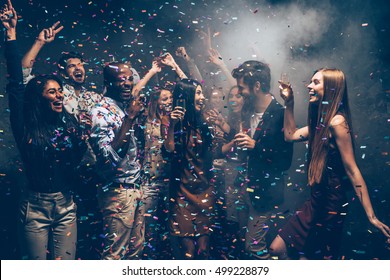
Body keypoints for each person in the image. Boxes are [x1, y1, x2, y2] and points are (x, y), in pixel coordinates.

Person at [270, 68, 390, 259]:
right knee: (280, 250)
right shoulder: (322, 122)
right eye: (311, 81)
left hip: (330, 205)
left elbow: (352, 170)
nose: (309, 86)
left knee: (314, 259)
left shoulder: (337, 122)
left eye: (316, 82)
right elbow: (290, 135)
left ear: (332, 89)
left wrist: (371, 216)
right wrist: (289, 102)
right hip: (315, 201)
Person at [2, 0, 87, 259]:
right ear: (40, 98)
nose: (59, 95)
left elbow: (77, 162)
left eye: (60, 91)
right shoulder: (25, 126)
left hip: (66, 205)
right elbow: (17, 84)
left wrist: (82, 138)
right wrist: (11, 34)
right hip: (35, 207)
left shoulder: (69, 123)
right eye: (53, 91)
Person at [89, 60, 160, 260]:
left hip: (135, 188)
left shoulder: (124, 107)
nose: (127, 83)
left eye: (130, 79)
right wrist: (129, 118)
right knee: (114, 255)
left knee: (135, 251)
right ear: (108, 82)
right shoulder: (100, 111)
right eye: (121, 80)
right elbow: (107, 158)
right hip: (117, 191)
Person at [230, 60, 293, 259]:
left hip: (266, 196)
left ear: (257, 86)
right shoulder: (247, 110)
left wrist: (255, 146)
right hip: (245, 192)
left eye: (241, 87)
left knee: (255, 248)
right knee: (243, 246)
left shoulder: (280, 114)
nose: (239, 92)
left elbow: (285, 162)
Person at [163, 79, 220, 259]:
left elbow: (211, 154)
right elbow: (168, 151)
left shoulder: (203, 122)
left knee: (204, 251)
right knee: (189, 253)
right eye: (198, 93)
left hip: (204, 191)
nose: (202, 98)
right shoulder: (171, 121)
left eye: (202, 93)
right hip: (182, 193)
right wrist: (172, 125)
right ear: (187, 96)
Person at [141, 53, 188, 259]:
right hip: (149, 182)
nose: (169, 101)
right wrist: (152, 72)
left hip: (173, 181)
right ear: (156, 101)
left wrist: (175, 66)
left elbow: (189, 90)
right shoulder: (147, 118)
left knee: (173, 231)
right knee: (149, 231)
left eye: (171, 98)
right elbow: (135, 93)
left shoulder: (178, 120)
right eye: (165, 98)